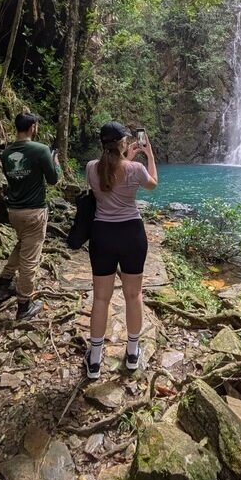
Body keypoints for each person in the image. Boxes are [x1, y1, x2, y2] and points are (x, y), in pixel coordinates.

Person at [83, 120, 158, 379]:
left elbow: (109, 173)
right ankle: (133, 352)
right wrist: (149, 155)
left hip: (102, 236)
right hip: (132, 236)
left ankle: (94, 360)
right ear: (124, 143)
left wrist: (125, 156)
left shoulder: (91, 168)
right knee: (133, 295)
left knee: (101, 298)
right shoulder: (136, 169)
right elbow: (153, 184)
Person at [0, 112, 59, 320]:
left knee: (23, 245)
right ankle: (24, 306)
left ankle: (3, 283)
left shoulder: (6, 154)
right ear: (32, 127)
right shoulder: (40, 150)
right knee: (30, 260)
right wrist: (54, 161)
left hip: (14, 212)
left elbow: (12, 180)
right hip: (34, 212)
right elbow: (53, 180)